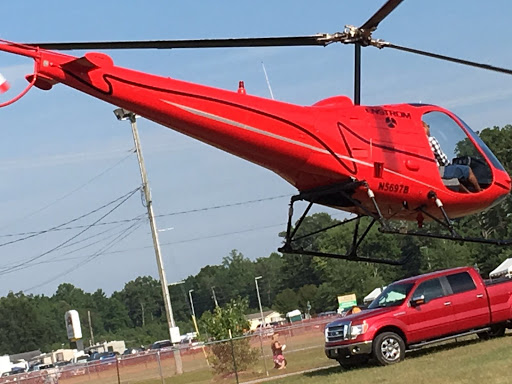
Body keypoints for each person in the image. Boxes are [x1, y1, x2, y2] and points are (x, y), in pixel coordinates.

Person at [423, 121, 481, 192]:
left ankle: (470, 195)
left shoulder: (419, 141)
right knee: (467, 170)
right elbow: (441, 158)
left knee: (454, 180)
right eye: (427, 126)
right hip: (438, 171)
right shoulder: (431, 140)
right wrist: (449, 165)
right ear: (423, 128)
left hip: (428, 172)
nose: (429, 128)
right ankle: (479, 190)